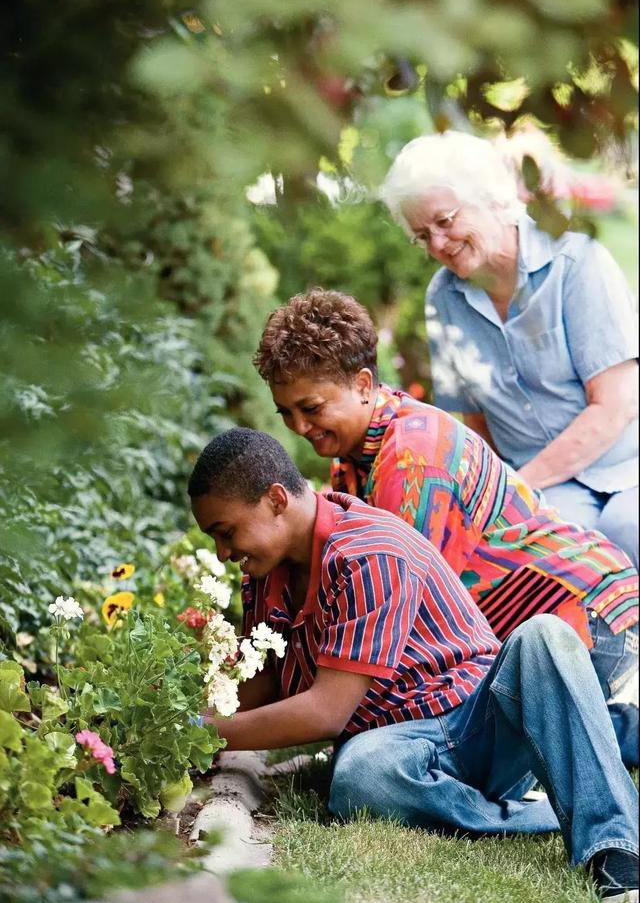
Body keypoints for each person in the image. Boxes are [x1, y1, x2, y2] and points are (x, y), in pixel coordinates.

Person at [188, 427, 639, 903]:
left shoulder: (367, 551)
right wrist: (178, 722)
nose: (223, 552)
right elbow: (260, 688)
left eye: (226, 532)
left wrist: (203, 729)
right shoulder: (267, 569)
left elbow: (326, 712)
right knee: (360, 777)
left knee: (544, 635)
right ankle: (534, 813)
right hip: (399, 742)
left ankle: (617, 849)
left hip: (476, 722)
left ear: (276, 500)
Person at [254, 289, 639, 766]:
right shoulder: (355, 457)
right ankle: (606, 726)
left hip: (582, 618)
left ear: (363, 383)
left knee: (510, 739)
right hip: (529, 624)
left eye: (310, 408)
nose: (299, 427)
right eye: (286, 413)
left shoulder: (411, 463)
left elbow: (396, 624)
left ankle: (615, 729)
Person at [379, 129, 639, 572]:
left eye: (444, 221)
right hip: (547, 492)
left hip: (625, 466)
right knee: (546, 562)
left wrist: (515, 488)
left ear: (490, 196)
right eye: (422, 236)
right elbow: (476, 425)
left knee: (624, 531)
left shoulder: (574, 261)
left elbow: (616, 404)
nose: (437, 245)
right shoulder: (443, 298)